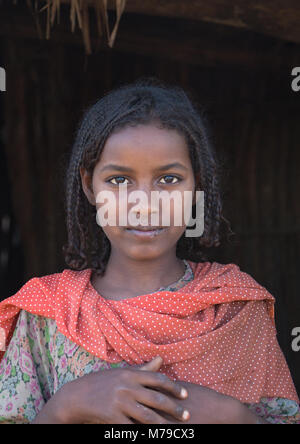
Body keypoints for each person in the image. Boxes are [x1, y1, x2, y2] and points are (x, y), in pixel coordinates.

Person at [0, 78, 299, 424]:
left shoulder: (234, 308)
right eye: (119, 180)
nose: (144, 204)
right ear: (89, 185)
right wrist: (66, 405)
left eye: (169, 179)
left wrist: (232, 416)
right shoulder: (50, 313)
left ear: (196, 185)